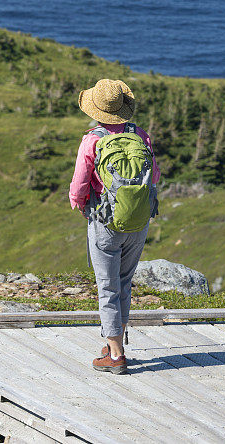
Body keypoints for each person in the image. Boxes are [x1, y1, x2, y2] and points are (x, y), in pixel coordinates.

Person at [69, 79, 160, 375]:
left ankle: (116, 355)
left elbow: (80, 182)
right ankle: (113, 343)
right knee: (123, 283)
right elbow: (154, 175)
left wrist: (80, 204)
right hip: (138, 221)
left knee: (106, 286)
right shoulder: (140, 135)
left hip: (105, 220)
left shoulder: (92, 140)